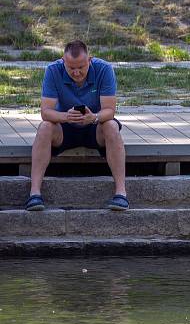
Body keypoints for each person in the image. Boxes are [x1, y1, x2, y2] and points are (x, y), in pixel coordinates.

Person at [25, 40, 128, 211]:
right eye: (71, 68)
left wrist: (94, 117)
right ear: (63, 61)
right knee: (44, 127)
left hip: (94, 127)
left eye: (81, 67)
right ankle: (34, 194)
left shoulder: (104, 69)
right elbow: (46, 112)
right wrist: (65, 116)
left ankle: (121, 194)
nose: (76, 72)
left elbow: (109, 110)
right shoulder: (53, 70)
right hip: (64, 128)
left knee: (111, 125)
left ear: (90, 60)